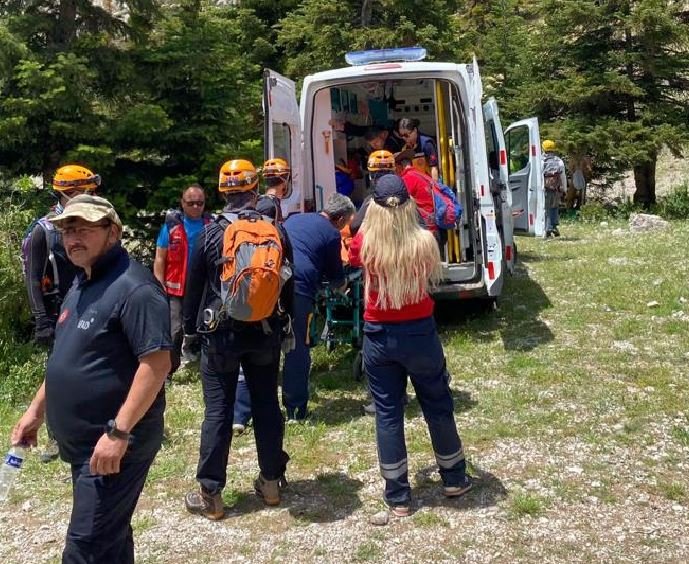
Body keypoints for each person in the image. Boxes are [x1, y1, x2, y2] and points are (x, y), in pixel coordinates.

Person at [12, 194, 172, 563]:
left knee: (84, 548)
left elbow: (156, 364)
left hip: (114, 443)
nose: (73, 238)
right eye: (68, 230)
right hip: (86, 444)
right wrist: (35, 411)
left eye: (84, 229)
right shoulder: (82, 282)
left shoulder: (135, 288)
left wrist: (119, 432)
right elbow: (68, 356)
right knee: (110, 539)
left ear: (113, 233)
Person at [348, 174, 471, 523]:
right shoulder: (425, 241)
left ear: (375, 207)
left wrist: (366, 213)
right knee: (437, 403)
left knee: (387, 414)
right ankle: (454, 478)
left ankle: (398, 495)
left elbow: (353, 248)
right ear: (408, 205)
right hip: (420, 333)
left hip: (379, 336)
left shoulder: (366, 244)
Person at [183, 159, 292, 517]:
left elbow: (193, 289)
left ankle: (211, 494)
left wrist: (189, 333)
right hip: (265, 332)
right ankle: (271, 482)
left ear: (221, 193)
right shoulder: (275, 230)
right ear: (254, 189)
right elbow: (288, 281)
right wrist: (287, 323)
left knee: (218, 410)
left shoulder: (210, 234)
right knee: (266, 404)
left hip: (221, 335)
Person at [21, 164, 101, 463]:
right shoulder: (43, 230)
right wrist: (42, 320)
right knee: (59, 377)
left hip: (91, 306)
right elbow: (32, 278)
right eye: (87, 192)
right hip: (58, 313)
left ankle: (93, 425)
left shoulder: (94, 225)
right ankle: (58, 436)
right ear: (71, 193)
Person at [282, 193, 355, 421]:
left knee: (266, 346)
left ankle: (245, 412)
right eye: (346, 222)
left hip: (274, 283)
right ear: (340, 218)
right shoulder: (331, 233)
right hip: (299, 289)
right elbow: (336, 278)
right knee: (297, 347)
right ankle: (296, 410)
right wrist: (344, 286)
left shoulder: (295, 218)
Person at [232, 161, 291, 437]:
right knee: (256, 364)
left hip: (252, 289)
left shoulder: (269, 205)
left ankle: (242, 413)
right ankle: (243, 413)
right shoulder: (269, 211)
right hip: (260, 291)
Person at [153, 184, 211, 378]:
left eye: (200, 203)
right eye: (191, 203)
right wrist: (159, 284)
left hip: (202, 288)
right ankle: (168, 370)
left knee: (204, 326)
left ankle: (204, 366)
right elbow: (160, 258)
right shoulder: (171, 227)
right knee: (174, 330)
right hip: (175, 289)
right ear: (182, 203)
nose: (195, 207)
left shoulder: (210, 225)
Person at [541, 139, 567, 237]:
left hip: (544, 188)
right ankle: (554, 226)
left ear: (543, 149)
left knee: (546, 208)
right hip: (556, 188)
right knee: (554, 207)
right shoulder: (559, 161)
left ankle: (548, 229)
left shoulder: (541, 161)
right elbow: (563, 176)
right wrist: (564, 189)